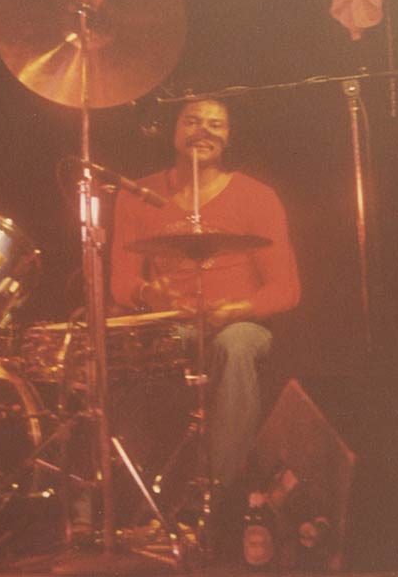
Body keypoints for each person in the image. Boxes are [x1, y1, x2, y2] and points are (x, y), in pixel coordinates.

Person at [110, 98, 300, 539]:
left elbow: (286, 289)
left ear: (228, 137)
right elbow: (120, 282)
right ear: (173, 131)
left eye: (216, 124)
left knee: (234, 346)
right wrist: (149, 294)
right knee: (124, 355)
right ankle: (133, 503)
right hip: (171, 322)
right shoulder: (137, 195)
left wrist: (237, 309)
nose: (204, 130)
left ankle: (214, 499)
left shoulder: (257, 196)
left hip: (240, 324)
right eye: (193, 121)